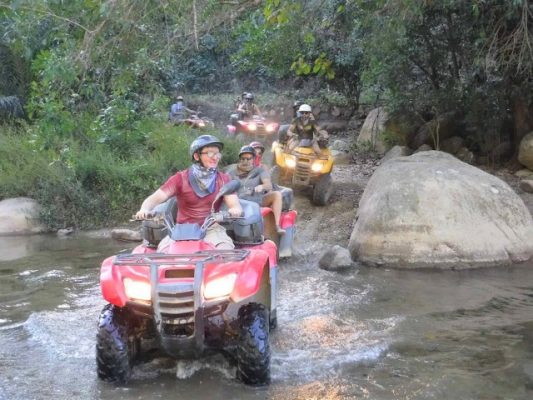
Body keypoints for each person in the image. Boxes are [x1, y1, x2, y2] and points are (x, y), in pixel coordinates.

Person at [135, 135, 243, 249]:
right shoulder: (180, 178)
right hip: (181, 230)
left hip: (211, 229)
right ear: (197, 156)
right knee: (163, 251)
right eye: (211, 153)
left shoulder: (223, 179)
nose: (215, 157)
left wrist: (234, 210)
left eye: (217, 154)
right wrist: (144, 209)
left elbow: (234, 205)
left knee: (225, 250)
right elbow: (154, 198)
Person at [226, 145, 285, 235]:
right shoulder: (232, 172)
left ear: (253, 159)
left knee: (277, 194)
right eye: (243, 158)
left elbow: (268, 185)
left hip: (257, 201)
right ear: (240, 159)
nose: (245, 161)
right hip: (238, 202)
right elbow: (224, 185)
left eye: (248, 159)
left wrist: (262, 186)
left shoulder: (260, 171)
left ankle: (277, 226)